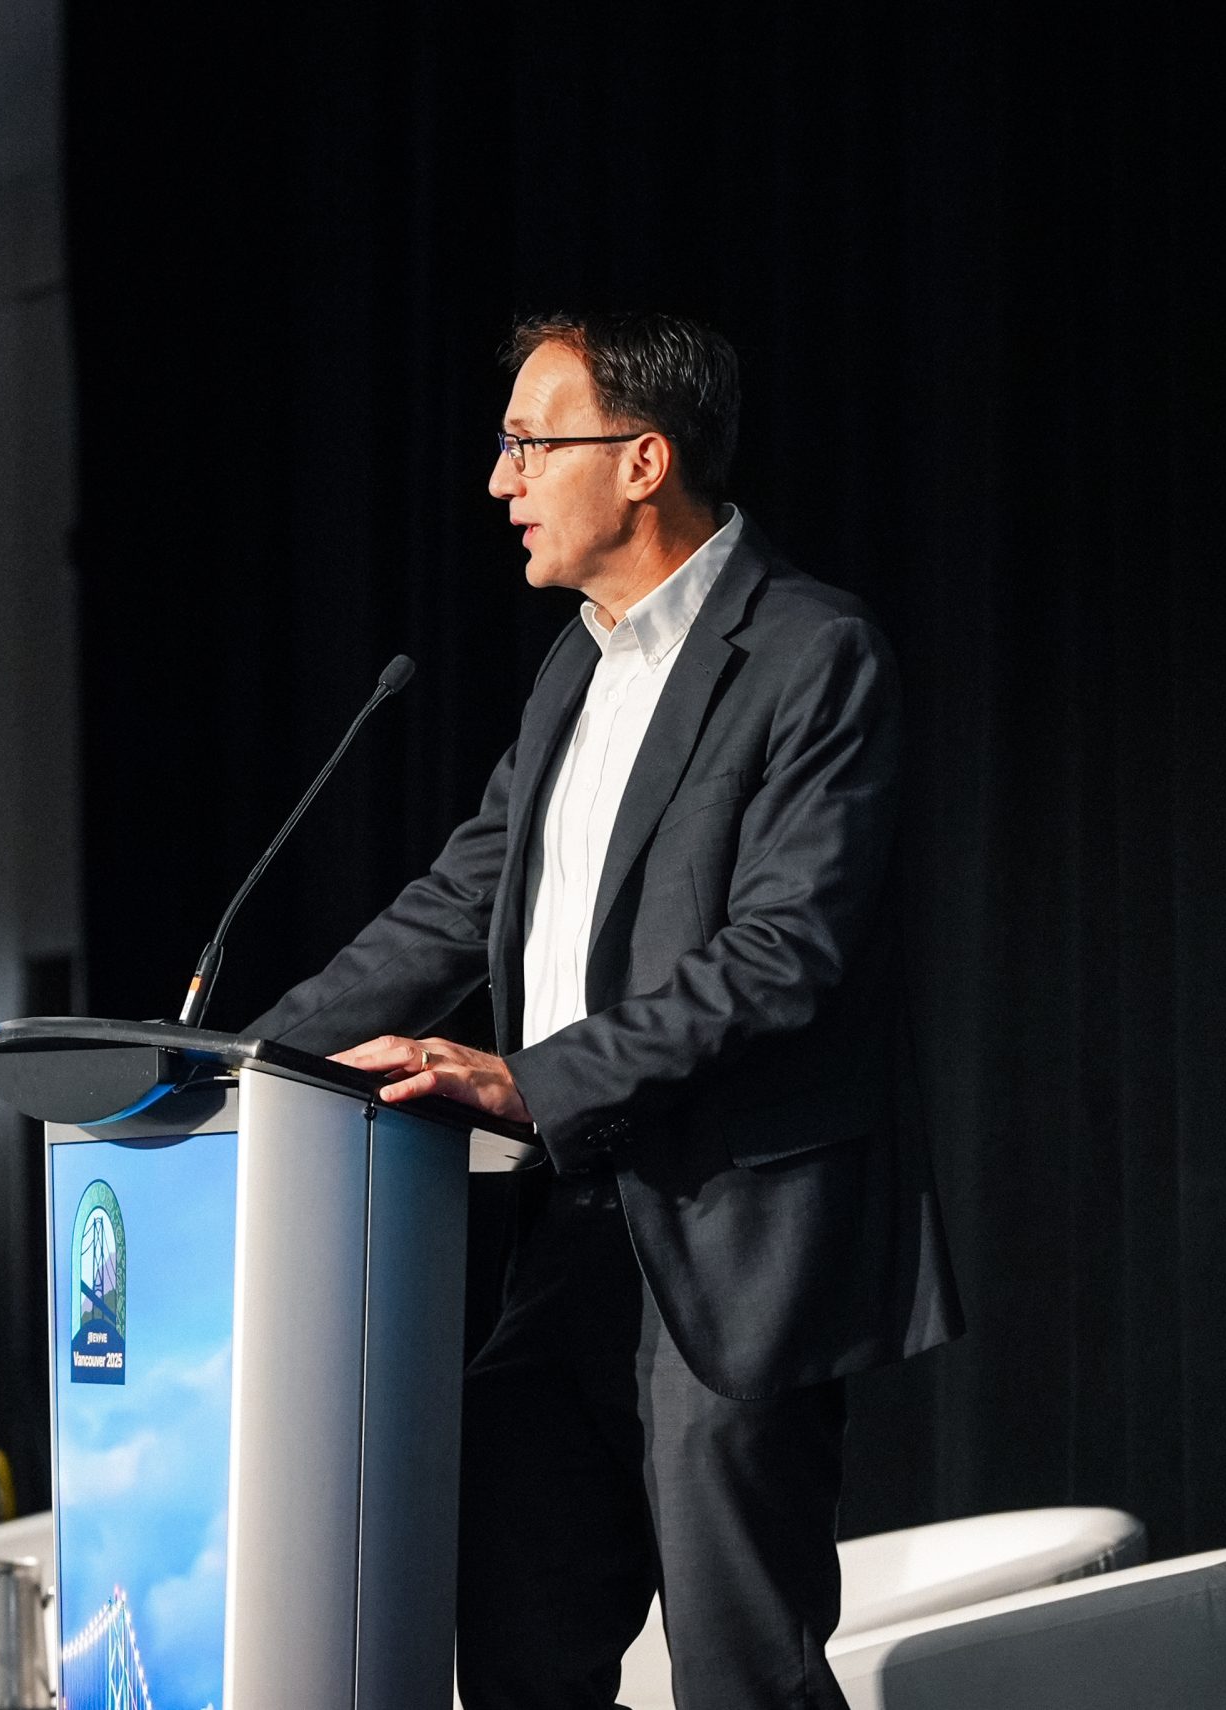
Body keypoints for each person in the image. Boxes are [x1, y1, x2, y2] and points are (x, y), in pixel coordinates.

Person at [245, 312, 963, 1710]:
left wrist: (530, 1077)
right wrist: (251, 1061)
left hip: (729, 1236)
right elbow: (459, 901)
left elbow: (783, 953)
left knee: (740, 1674)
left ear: (643, 460)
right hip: (570, 1234)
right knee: (518, 1644)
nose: (499, 478)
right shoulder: (575, 665)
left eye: (530, 443)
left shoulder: (813, 652)